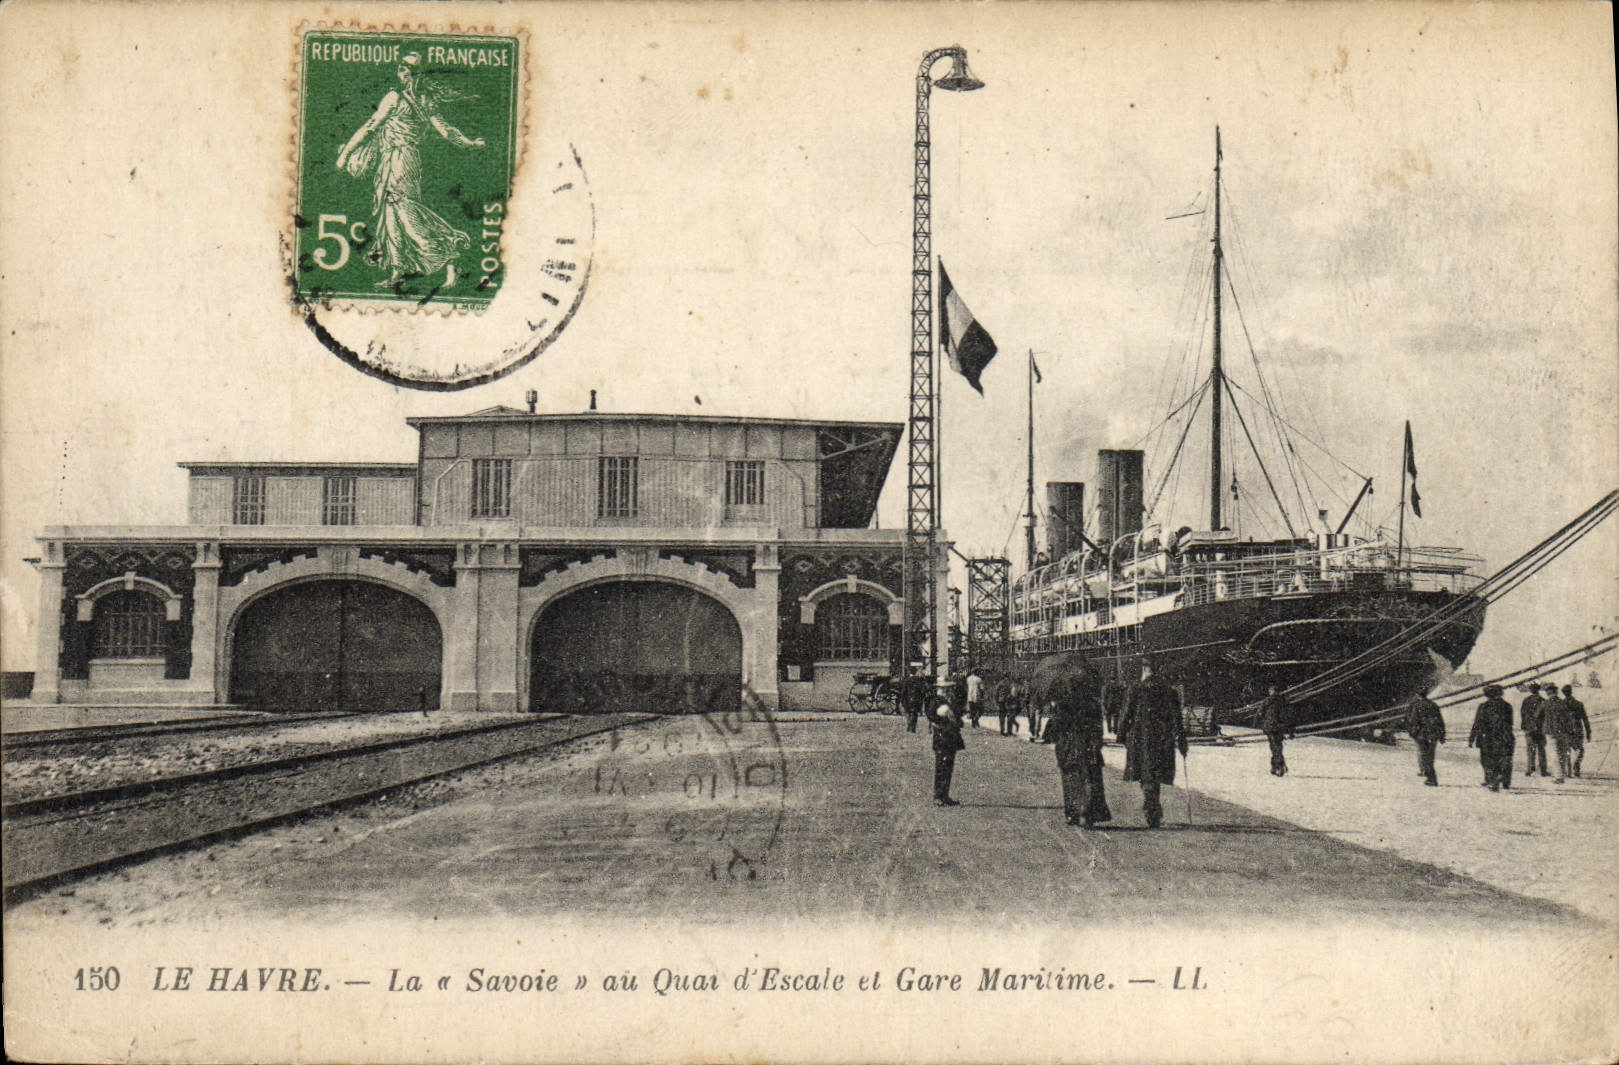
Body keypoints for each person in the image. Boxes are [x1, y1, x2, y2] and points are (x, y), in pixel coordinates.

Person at [334, 53, 486, 288]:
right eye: (402, 68)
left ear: (417, 73)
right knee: (393, 215)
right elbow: (447, 131)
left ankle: (449, 255)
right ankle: (398, 271)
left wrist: (345, 155)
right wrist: (469, 143)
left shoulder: (395, 97)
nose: (404, 73)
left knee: (404, 213)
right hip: (403, 160)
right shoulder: (426, 101)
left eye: (408, 69)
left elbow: (370, 126)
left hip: (399, 160)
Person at [1118, 663, 1188, 828]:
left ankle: (1151, 806)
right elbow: (1177, 718)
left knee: (1145, 773)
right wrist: (1182, 740)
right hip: (1162, 739)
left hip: (1140, 738)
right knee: (1155, 773)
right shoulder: (1170, 691)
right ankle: (1152, 805)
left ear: (1144, 670)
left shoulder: (1135, 689)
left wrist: (1121, 735)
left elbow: (1126, 713)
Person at [1046, 665, 1112, 828]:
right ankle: (1090, 812)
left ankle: (1073, 812)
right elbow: (1098, 727)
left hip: (1069, 746)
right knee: (1091, 777)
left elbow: (1054, 728)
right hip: (1089, 745)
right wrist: (1097, 743)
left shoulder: (1063, 704)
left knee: (1070, 778)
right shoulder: (1092, 703)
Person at [1467, 684, 1516, 790]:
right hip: (1505, 737)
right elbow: (1510, 722)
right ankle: (1505, 782)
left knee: (1488, 760)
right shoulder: (1507, 705)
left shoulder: (1484, 706)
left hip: (1488, 738)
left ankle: (1492, 781)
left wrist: (1472, 738)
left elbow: (1477, 723)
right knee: (1505, 759)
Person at [925, 680, 965, 806]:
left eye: (949, 688)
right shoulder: (936, 702)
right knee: (942, 767)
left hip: (949, 738)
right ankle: (938, 796)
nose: (947, 691)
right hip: (943, 738)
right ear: (939, 689)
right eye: (945, 689)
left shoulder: (948, 702)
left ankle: (944, 795)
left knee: (948, 767)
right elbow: (933, 718)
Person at [1404, 691, 1446, 786]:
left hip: (1422, 735)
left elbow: (1413, 721)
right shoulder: (1434, 705)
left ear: (1418, 695)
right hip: (1433, 734)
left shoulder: (1417, 706)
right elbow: (1440, 721)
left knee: (1423, 756)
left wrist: (1412, 733)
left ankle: (1431, 778)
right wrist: (1442, 735)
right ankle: (1430, 777)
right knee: (1430, 756)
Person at [1258, 684, 1292, 777]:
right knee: (1277, 746)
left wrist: (1263, 725)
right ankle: (1277, 766)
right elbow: (1288, 717)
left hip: (1269, 727)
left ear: (1271, 692)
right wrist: (1291, 731)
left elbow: (1260, 713)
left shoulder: (1266, 701)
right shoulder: (1283, 702)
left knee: (1274, 746)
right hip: (1280, 727)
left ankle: (1277, 766)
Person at [1561, 685, 1592, 778]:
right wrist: (1588, 732)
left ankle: (1569, 771)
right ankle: (1576, 766)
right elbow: (1585, 719)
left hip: (1565, 730)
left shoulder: (1561, 704)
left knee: (1567, 751)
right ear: (1571, 692)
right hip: (1577, 730)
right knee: (1580, 750)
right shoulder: (1579, 704)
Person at [1519, 683, 1548, 777]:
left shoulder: (1526, 700)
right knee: (1541, 749)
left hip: (1529, 728)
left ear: (1531, 690)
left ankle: (1530, 769)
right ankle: (1543, 770)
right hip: (1540, 729)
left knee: (1530, 749)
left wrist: (1524, 726)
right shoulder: (1543, 700)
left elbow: (1522, 714)